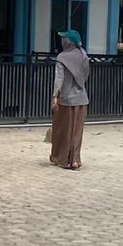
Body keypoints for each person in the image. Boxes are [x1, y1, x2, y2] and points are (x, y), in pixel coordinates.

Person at [50, 28, 89, 170]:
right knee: (77, 131)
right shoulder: (84, 55)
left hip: (66, 100)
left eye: (63, 39)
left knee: (64, 130)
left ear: (68, 42)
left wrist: (55, 96)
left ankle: (64, 159)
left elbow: (59, 78)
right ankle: (75, 159)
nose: (61, 41)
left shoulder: (62, 57)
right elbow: (85, 76)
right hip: (82, 99)